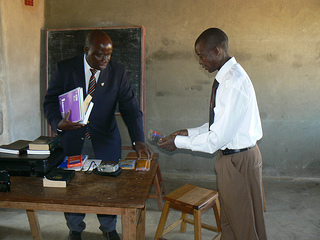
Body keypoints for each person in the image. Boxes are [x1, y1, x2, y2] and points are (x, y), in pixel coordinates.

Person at [158, 28, 267, 240]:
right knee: (229, 222)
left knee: (244, 227)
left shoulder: (233, 82)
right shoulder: (226, 78)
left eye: (202, 55)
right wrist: (187, 132)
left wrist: (179, 142)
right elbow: (219, 124)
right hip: (233, 160)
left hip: (238, 161)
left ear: (216, 50)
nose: (200, 61)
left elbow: (216, 139)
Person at [44, 30, 153, 240]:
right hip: (74, 139)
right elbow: (49, 101)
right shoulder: (65, 68)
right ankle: (75, 229)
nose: (105, 60)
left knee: (108, 187)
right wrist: (58, 122)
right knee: (73, 188)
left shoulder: (117, 71)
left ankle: (109, 228)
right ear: (86, 50)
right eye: (99, 55)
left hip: (105, 139)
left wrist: (138, 139)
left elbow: (130, 107)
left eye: (109, 55)